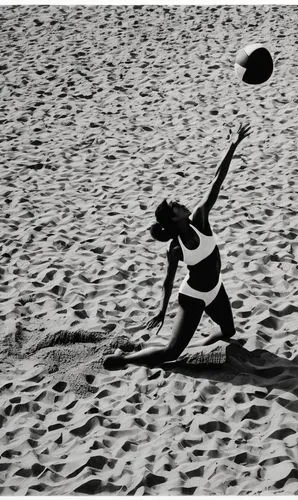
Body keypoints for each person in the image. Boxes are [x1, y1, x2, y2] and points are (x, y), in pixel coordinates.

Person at [103, 124, 251, 370]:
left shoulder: (201, 219)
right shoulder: (175, 248)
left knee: (228, 331)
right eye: (176, 206)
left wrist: (232, 146)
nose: (182, 204)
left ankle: (198, 347)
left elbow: (217, 179)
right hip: (192, 297)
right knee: (171, 351)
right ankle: (124, 359)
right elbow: (168, 280)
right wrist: (162, 311)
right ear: (174, 218)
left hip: (216, 289)